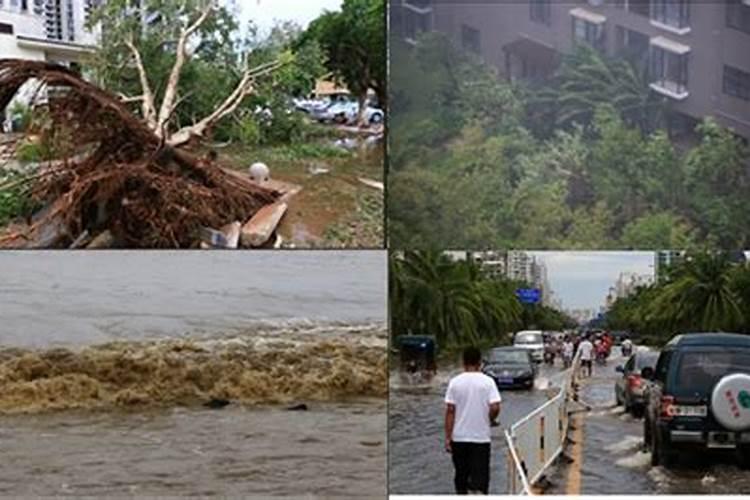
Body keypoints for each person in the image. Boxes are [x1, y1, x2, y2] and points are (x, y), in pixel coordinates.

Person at [444, 346, 502, 495]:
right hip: (480, 439)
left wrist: (448, 437)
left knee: (461, 477)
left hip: (459, 438)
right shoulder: (488, 382)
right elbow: (495, 407)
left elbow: (450, 411)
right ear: (480, 362)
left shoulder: (454, 382)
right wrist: (489, 419)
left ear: (463, 362)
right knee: (480, 481)